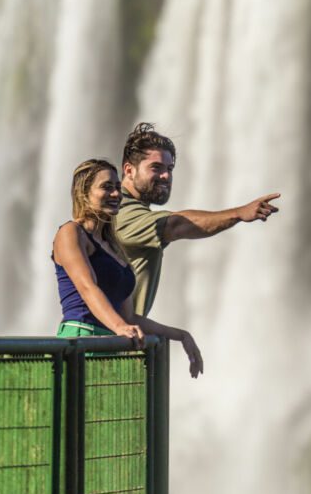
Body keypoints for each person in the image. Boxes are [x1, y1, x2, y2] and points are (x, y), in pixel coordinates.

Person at [53, 158, 204, 377]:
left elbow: (130, 318)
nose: (115, 194)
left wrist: (180, 335)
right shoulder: (71, 233)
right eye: (106, 187)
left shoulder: (114, 249)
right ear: (84, 192)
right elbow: (87, 287)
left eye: (117, 187)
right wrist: (119, 327)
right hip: (80, 341)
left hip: (109, 346)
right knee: (78, 410)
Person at [114, 123, 280, 316]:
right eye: (156, 167)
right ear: (128, 170)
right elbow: (176, 225)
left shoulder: (131, 210)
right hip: (106, 341)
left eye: (170, 168)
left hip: (119, 339)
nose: (166, 175)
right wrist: (239, 213)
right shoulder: (119, 209)